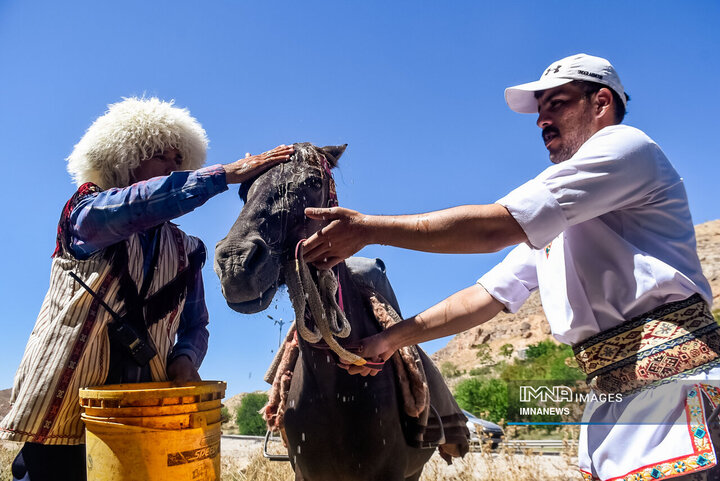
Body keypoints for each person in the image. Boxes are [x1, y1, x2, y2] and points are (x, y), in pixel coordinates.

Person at [301, 54, 719, 480]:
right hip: (615, 407)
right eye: (540, 112)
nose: (542, 121)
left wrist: (369, 230)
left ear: (602, 102)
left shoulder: (625, 148)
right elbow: (487, 295)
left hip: (676, 396)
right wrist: (390, 340)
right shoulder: (561, 221)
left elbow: (491, 228)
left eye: (556, 103)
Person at [0, 97, 293, 481]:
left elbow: (195, 325)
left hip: (143, 411)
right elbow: (136, 205)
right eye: (160, 157)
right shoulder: (86, 214)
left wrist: (186, 359)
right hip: (65, 408)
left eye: (178, 160)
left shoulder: (188, 250)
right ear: (125, 159)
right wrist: (224, 175)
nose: (173, 167)